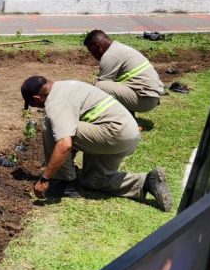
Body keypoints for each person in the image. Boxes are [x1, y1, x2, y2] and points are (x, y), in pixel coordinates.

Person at [20, 75, 172, 210]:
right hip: (127, 132)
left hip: (114, 133)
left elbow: (65, 144)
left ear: (36, 99)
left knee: (52, 126)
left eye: (35, 105)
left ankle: (64, 182)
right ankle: (147, 181)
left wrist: (45, 178)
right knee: (94, 180)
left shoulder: (55, 102)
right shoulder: (65, 85)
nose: (39, 108)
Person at [83, 30, 165, 116]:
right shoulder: (118, 47)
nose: (92, 55)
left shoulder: (110, 56)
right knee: (112, 85)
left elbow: (99, 91)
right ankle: (128, 117)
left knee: (100, 86)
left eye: (91, 51)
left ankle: (115, 120)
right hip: (151, 96)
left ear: (98, 46)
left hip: (146, 100)